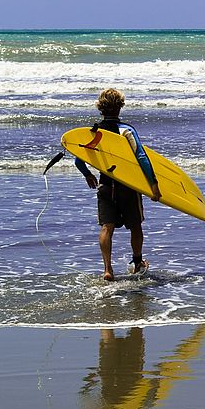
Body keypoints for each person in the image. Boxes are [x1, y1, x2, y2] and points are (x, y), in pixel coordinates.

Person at [75, 88, 161, 281]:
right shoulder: (126, 130)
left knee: (107, 227)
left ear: (100, 108)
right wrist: (153, 184)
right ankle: (138, 262)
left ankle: (108, 269)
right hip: (128, 185)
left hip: (105, 184)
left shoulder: (94, 132)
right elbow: (141, 156)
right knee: (136, 226)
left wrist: (87, 174)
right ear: (120, 107)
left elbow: (79, 159)